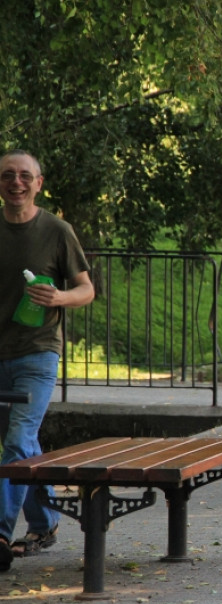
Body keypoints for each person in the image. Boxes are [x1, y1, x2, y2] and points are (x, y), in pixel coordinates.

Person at [0, 150, 94, 572]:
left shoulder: (57, 230)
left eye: (24, 176)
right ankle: (44, 521)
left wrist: (59, 297)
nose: (15, 183)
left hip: (37, 353)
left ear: (38, 183)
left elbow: (86, 289)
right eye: (7, 176)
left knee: (17, 441)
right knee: (26, 444)